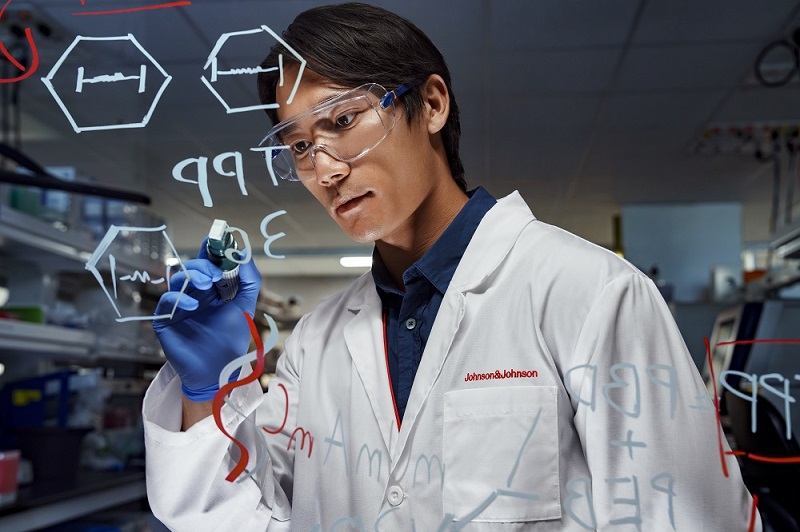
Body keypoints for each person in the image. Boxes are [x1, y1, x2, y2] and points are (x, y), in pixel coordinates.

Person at [143, 3, 760, 530]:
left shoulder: (590, 292)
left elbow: (684, 518)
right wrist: (208, 391)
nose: (326, 169)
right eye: (300, 146)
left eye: (343, 120)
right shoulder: (317, 343)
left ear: (431, 104)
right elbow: (244, 517)